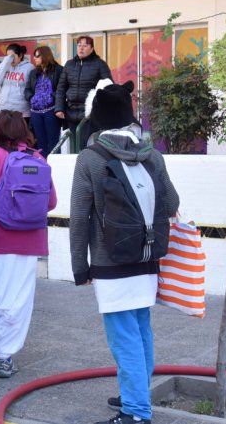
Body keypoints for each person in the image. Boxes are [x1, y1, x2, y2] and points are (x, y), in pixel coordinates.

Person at [69, 82, 179, 424]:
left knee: (124, 338)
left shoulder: (90, 158)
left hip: (110, 263)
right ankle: (136, 392)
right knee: (141, 329)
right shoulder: (151, 155)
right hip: (147, 257)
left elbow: (79, 217)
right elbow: (172, 203)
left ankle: (136, 411)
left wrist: (80, 267)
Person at [0, 110, 57, 379]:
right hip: (28, 243)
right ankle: (5, 358)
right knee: (16, 301)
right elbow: (51, 202)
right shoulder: (37, 158)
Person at [55, 36, 112, 150]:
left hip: (89, 113)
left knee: (86, 145)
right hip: (71, 112)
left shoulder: (100, 64)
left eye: (85, 46)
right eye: (79, 45)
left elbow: (108, 85)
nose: (81, 48)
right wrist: (59, 108)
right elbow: (61, 88)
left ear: (92, 48)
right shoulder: (69, 64)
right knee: (74, 145)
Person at [25, 46, 63, 155]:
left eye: (37, 56)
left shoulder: (59, 70)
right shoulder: (33, 72)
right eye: (34, 56)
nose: (34, 58)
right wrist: (32, 98)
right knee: (40, 144)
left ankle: (54, 165)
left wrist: (51, 97)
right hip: (35, 112)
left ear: (45, 56)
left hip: (51, 111)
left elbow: (63, 88)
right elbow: (27, 89)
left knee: (53, 143)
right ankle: (42, 165)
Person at [0, 43, 34, 120]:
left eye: (12, 56)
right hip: (3, 109)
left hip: (21, 111)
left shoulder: (29, 67)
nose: (10, 59)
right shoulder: (5, 65)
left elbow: (32, 88)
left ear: (20, 55)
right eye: (8, 56)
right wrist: (5, 63)